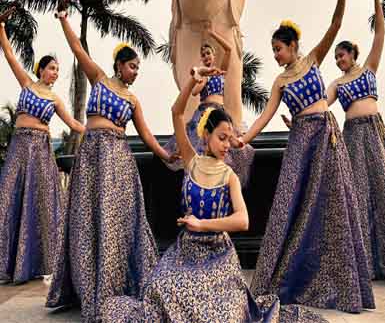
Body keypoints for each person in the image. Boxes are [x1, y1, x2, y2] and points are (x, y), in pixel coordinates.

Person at [102, 66, 328, 323]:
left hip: (218, 253)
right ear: (206, 135)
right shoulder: (191, 161)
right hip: (185, 253)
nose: (226, 145)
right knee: (160, 292)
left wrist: (202, 224)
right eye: (222, 138)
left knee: (224, 315)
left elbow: (243, 221)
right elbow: (176, 113)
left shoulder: (229, 175)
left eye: (230, 139)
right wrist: (192, 79)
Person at [238, 0, 374, 312]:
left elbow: (336, 23)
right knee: (289, 203)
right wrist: (244, 139)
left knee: (335, 204)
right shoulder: (280, 81)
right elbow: (264, 115)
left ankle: (340, 284)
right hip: (301, 138)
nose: (275, 55)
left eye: (278, 49)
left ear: (293, 46)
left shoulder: (313, 59)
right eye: (273, 50)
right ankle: (277, 278)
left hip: (326, 135)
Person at [46, 0, 175, 323]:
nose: (135, 73)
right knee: (86, 219)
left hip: (117, 161)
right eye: (132, 67)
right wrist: (64, 18)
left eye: (138, 69)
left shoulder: (133, 99)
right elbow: (77, 50)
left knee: (114, 221)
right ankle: (85, 288)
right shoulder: (99, 78)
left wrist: (165, 155)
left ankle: (113, 286)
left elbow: (146, 135)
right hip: (91, 156)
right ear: (120, 65)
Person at [0, 7, 84, 284]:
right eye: (51, 68)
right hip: (18, 146)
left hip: (40, 151)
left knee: (41, 205)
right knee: (7, 198)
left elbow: (73, 124)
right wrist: (1, 26)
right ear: (41, 69)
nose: (55, 73)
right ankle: (6, 265)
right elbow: (10, 55)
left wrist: (100, 128)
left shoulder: (56, 99)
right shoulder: (26, 84)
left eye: (58, 70)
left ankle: (40, 265)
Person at [326, 0, 385, 280]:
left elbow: (379, 37)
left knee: (382, 189)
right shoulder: (337, 82)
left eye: (341, 55)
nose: (338, 60)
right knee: (358, 194)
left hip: (373, 132)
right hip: (352, 136)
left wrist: (376, 2)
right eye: (336, 57)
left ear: (352, 54)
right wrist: (300, 119)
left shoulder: (369, 69)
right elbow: (322, 103)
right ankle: (364, 266)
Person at [164, 25, 255, 187]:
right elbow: (195, 93)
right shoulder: (205, 76)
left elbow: (228, 50)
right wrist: (201, 75)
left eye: (208, 53)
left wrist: (213, 33)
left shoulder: (221, 71)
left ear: (214, 55)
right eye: (203, 55)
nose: (206, 56)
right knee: (201, 148)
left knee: (230, 145)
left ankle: (222, 182)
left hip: (220, 113)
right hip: (205, 113)